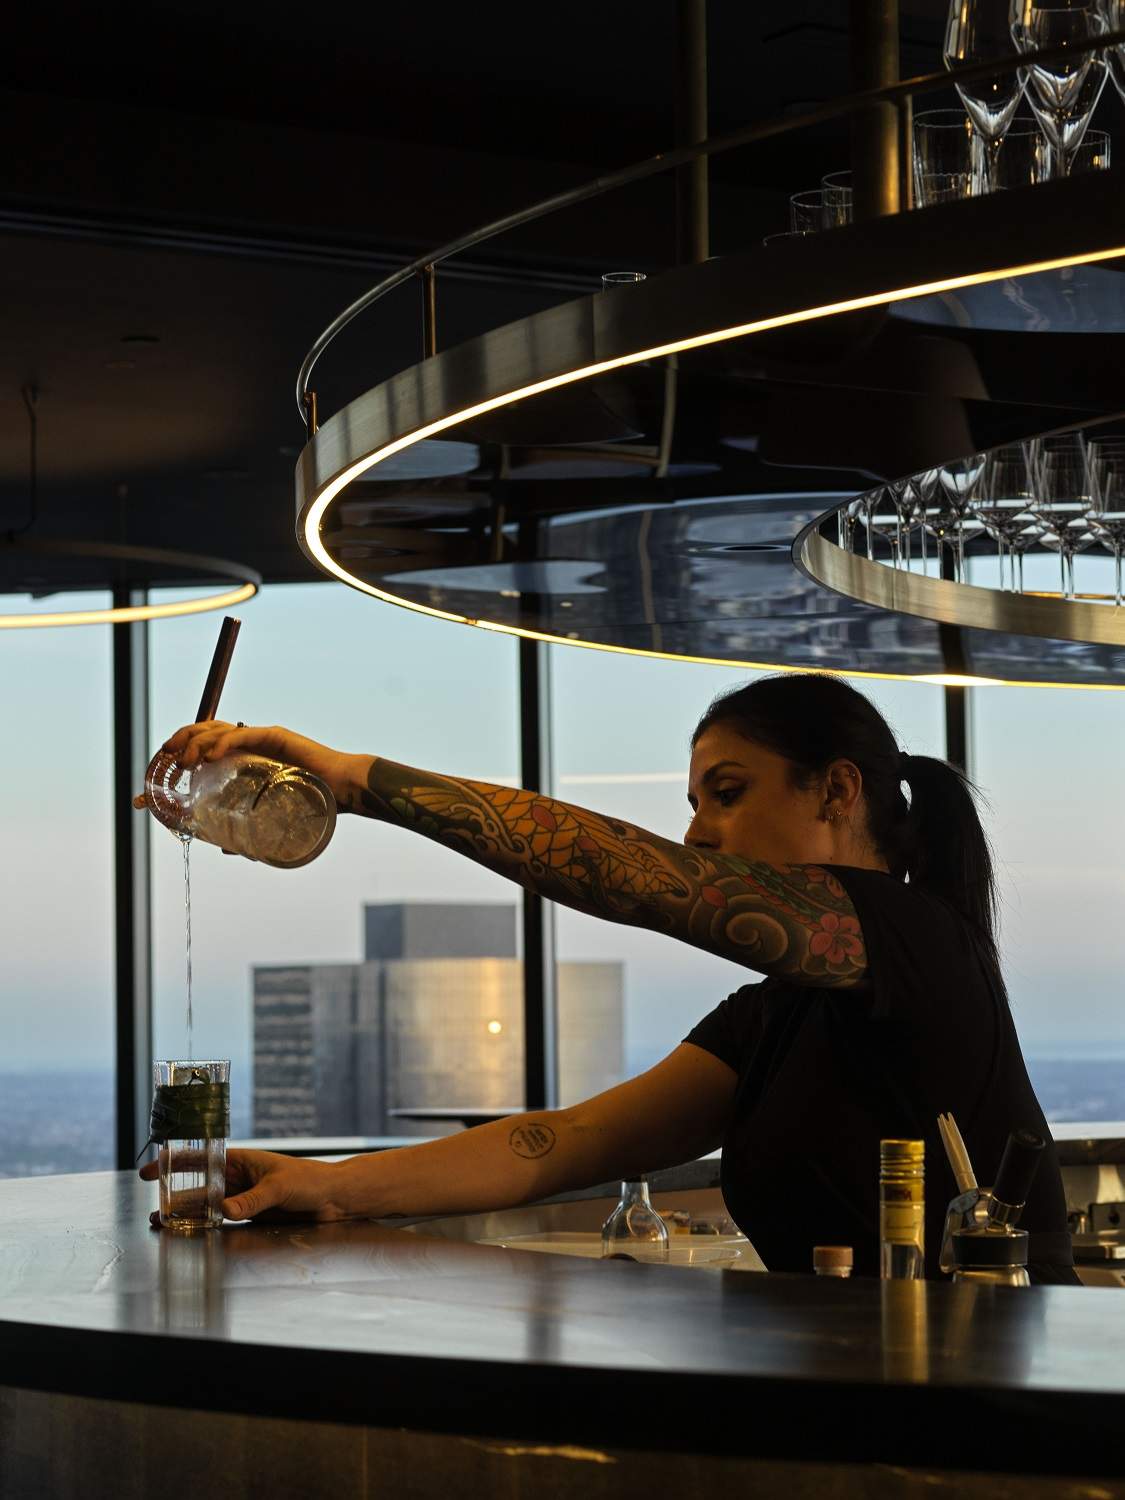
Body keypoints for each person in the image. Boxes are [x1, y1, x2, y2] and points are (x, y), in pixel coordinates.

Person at [138, 673, 1077, 1283]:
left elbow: (624, 873)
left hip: (987, 1416)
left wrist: (353, 779)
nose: (698, 832)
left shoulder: (914, 940)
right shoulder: (772, 1016)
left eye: (728, 792)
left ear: (836, 791)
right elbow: (565, 1142)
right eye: (694, 802)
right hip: (866, 1401)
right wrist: (327, 1184)